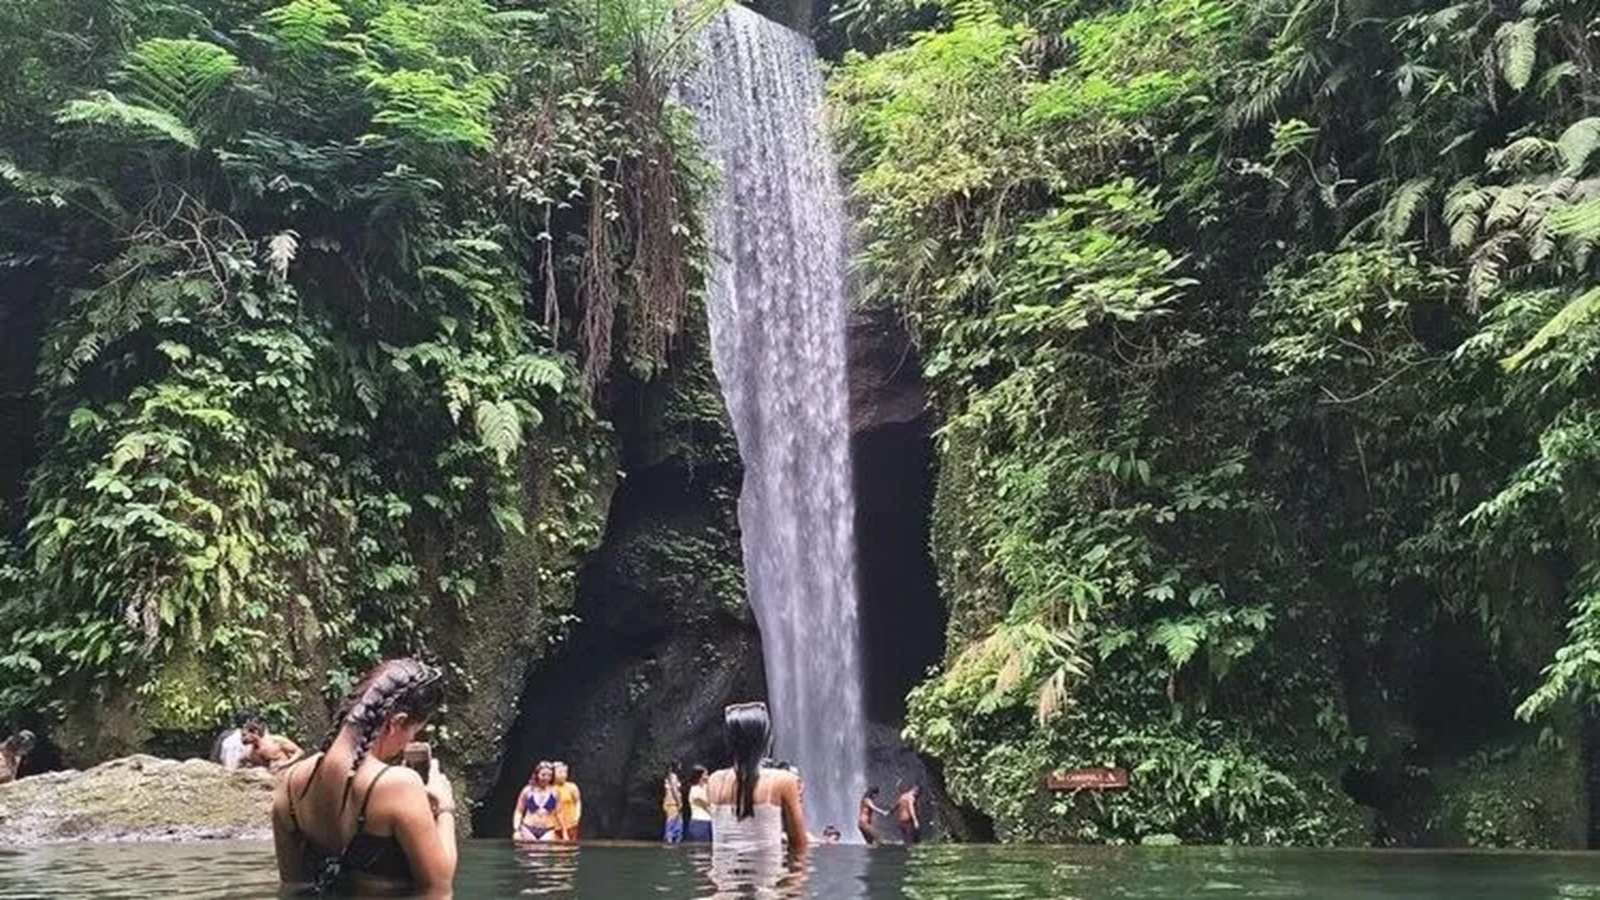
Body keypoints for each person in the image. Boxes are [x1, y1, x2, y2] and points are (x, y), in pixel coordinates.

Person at [271, 658, 457, 897]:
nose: (409, 742)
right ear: (396, 722)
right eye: (413, 731)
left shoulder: (290, 783)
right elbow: (439, 888)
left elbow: (293, 886)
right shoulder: (397, 785)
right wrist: (445, 807)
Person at [513, 762, 561, 842]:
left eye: (549, 775)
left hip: (548, 829)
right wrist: (516, 829)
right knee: (531, 853)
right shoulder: (527, 790)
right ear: (537, 774)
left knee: (543, 852)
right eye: (543, 775)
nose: (546, 778)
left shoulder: (555, 792)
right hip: (528, 828)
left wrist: (564, 832)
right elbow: (519, 811)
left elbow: (559, 813)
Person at [553, 761, 582, 841]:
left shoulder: (572, 787)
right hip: (553, 824)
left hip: (570, 822)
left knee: (570, 846)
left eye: (565, 772)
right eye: (560, 772)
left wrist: (577, 815)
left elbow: (578, 802)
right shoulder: (549, 788)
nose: (563, 775)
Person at [685, 765, 713, 842]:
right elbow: (707, 803)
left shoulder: (707, 787)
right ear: (700, 776)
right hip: (699, 822)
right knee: (700, 850)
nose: (708, 776)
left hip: (708, 821)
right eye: (706, 774)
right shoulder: (694, 790)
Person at [662, 762, 684, 844]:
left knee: (676, 823)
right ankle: (670, 841)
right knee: (673, 823)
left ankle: (672, 841)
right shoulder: (673, 776)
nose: (680, 766)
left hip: (671, 802)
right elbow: (674, 790)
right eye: (679, 765)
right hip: (673, 803)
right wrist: (679, 802)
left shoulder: (670, 776)